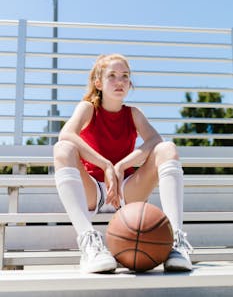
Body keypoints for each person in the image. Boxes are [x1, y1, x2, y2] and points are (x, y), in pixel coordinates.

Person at [53, 53, 193, 273]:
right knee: (62, 149)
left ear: (130, 83)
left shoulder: (133, 113)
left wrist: (120, 166)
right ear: (98, 82)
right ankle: (89, 242)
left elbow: (156, 140)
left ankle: (176, 243)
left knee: (167, 149)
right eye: (112, 76)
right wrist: (106, 165)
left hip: (126, 190)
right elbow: (66, 134)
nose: (120, 81)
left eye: (125, 76)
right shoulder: (88, 108)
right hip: (93, 190)